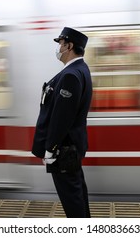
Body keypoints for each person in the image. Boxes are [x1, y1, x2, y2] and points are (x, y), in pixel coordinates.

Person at [32, 27, 93, 218]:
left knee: (72, 199)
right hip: (70, 148)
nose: (58, 47)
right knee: (77, 194)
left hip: (63, 150)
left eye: (60, 43)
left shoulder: (70, 75)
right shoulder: (81, 69)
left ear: (69, 45)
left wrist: (50, 149)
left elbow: (62, 117)